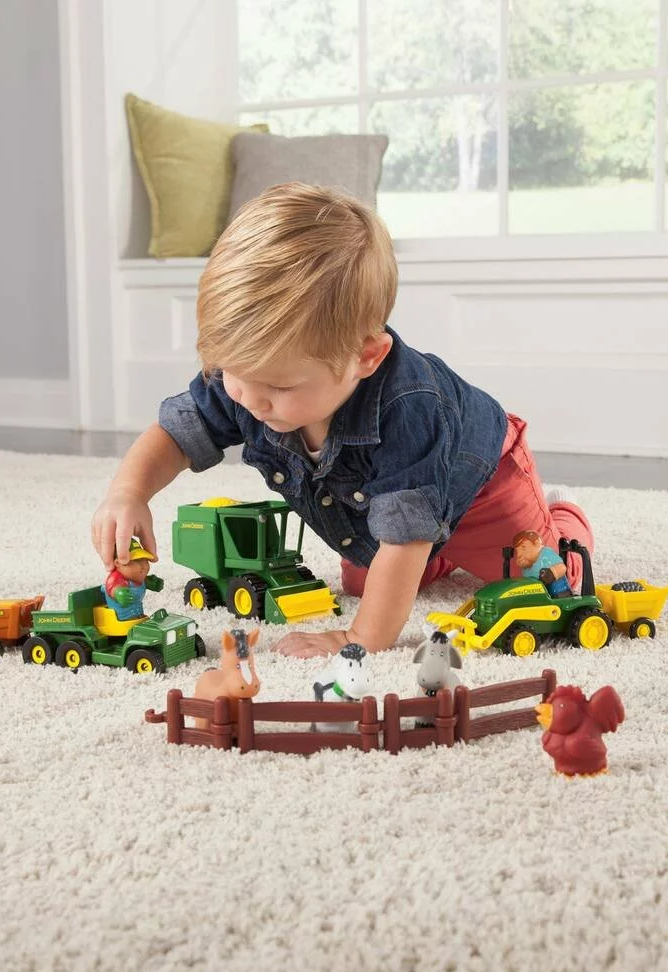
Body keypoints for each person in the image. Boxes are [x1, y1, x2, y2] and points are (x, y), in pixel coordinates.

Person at [91, 183, 593, 658]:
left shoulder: (408, 410)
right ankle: (433, 548)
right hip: (385, 506)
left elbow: (403, 540)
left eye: (280, 388)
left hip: (483, 483)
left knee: (538, 578)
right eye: (231, 373)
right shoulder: (247, 380)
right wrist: (128, 493)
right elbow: (176, 434)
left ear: (367, 357)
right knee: (366, 579)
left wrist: (359, 638)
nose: (249, 400)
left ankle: (563, 518)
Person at [102, 538, 161, 620]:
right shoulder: (115, 578)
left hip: (139, 618)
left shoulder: (136, 578)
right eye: (137, 561)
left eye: (145, 560)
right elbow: (111, 587)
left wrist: (153, 583)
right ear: (118, 563)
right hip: (122, 621)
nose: (143, 566)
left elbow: (143, 583)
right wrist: (117, 592)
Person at [511, 530, 573, 598]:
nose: (519, 555)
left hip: (559, 592)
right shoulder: (526, 568)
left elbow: (562, 568)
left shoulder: (546, 553)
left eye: (523, 548)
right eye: (517, 551)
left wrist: (552, 573)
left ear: (537, 544)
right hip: (542, 596)